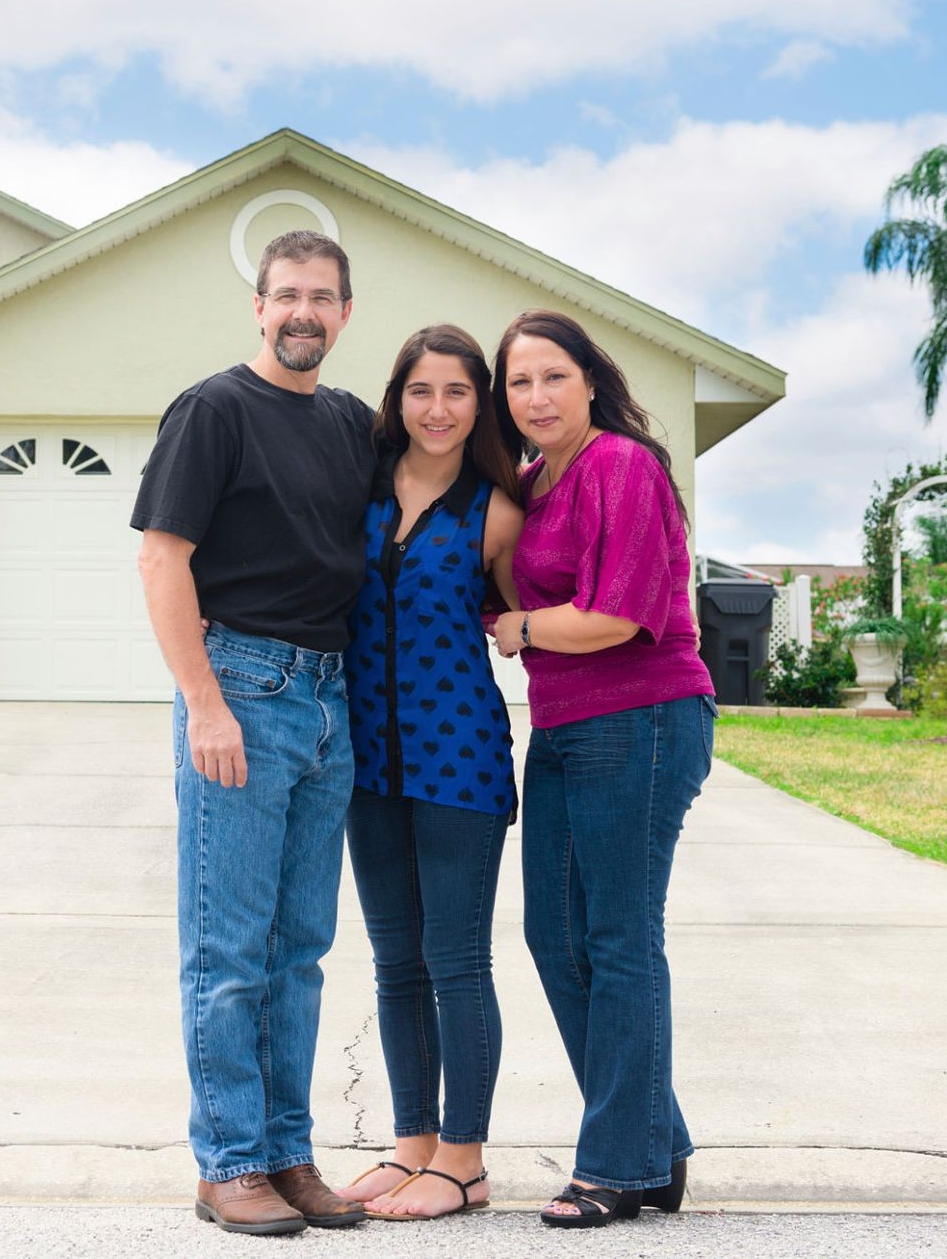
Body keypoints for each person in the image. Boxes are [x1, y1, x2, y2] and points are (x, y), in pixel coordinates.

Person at [132, 230, 375, 1236]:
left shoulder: (355, 425)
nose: (302, 312)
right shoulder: (213, 410)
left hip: (329, 699)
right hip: (240, 685)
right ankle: (226, 1160)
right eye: (285, 295)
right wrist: (203, 700)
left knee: (300, 950)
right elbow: (161, 559)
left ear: (345, 313)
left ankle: (285, 1151)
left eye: (321, 296)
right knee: (229, 948)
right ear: (258, 306)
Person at [488, 309, 717, 1229]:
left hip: (645, 716)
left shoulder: (622, 464)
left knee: (620, 937)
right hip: (567, 724)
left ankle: (617, 1168)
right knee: (556, 937)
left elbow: (617, 616)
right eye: (518, 383)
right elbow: (517, 580)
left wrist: (524, 628)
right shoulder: (536, 480)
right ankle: (656, 1148)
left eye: (552, 376)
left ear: (590, 379)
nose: (535, 396)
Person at [334, 324, 525, 1220]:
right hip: (366, 761)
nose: (438, 409)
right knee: (393, 962)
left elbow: (533, 614)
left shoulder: (498, 510)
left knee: (455, 959)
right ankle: (413, 1147)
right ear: (397, 399)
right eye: (421, 390)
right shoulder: (358, 489)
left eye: (457, 391)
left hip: (462, 763)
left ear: (478, 403)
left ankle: (465, 1158)